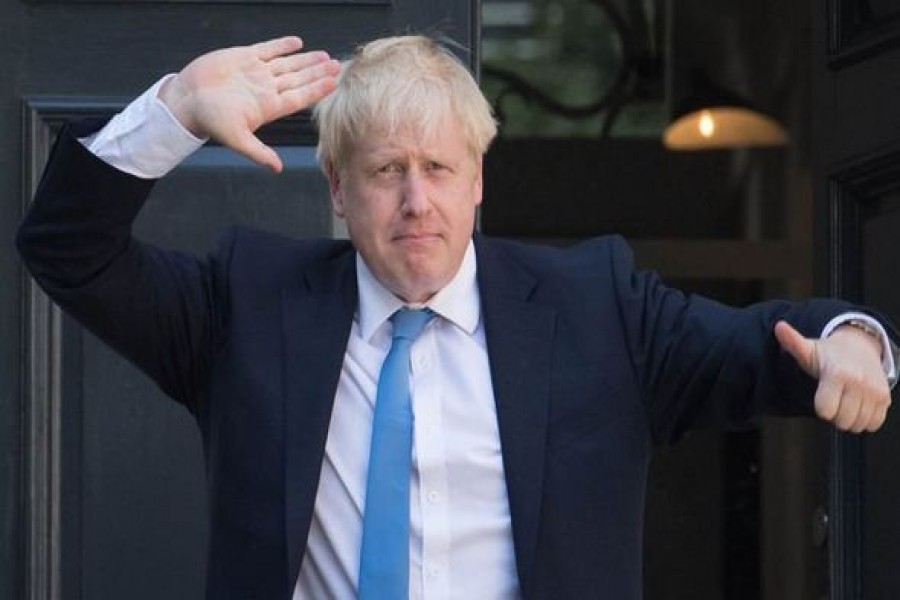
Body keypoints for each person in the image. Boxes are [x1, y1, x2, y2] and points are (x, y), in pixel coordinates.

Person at [17, 34, 897, 600]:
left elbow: (763, 347)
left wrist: (851, 340)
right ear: (338, 189)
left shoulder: (595, 309)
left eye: (439, 169)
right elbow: (68, 252)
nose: (416, 202)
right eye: (385, 171)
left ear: (477, 180)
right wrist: (173, 111)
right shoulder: (247, 306)